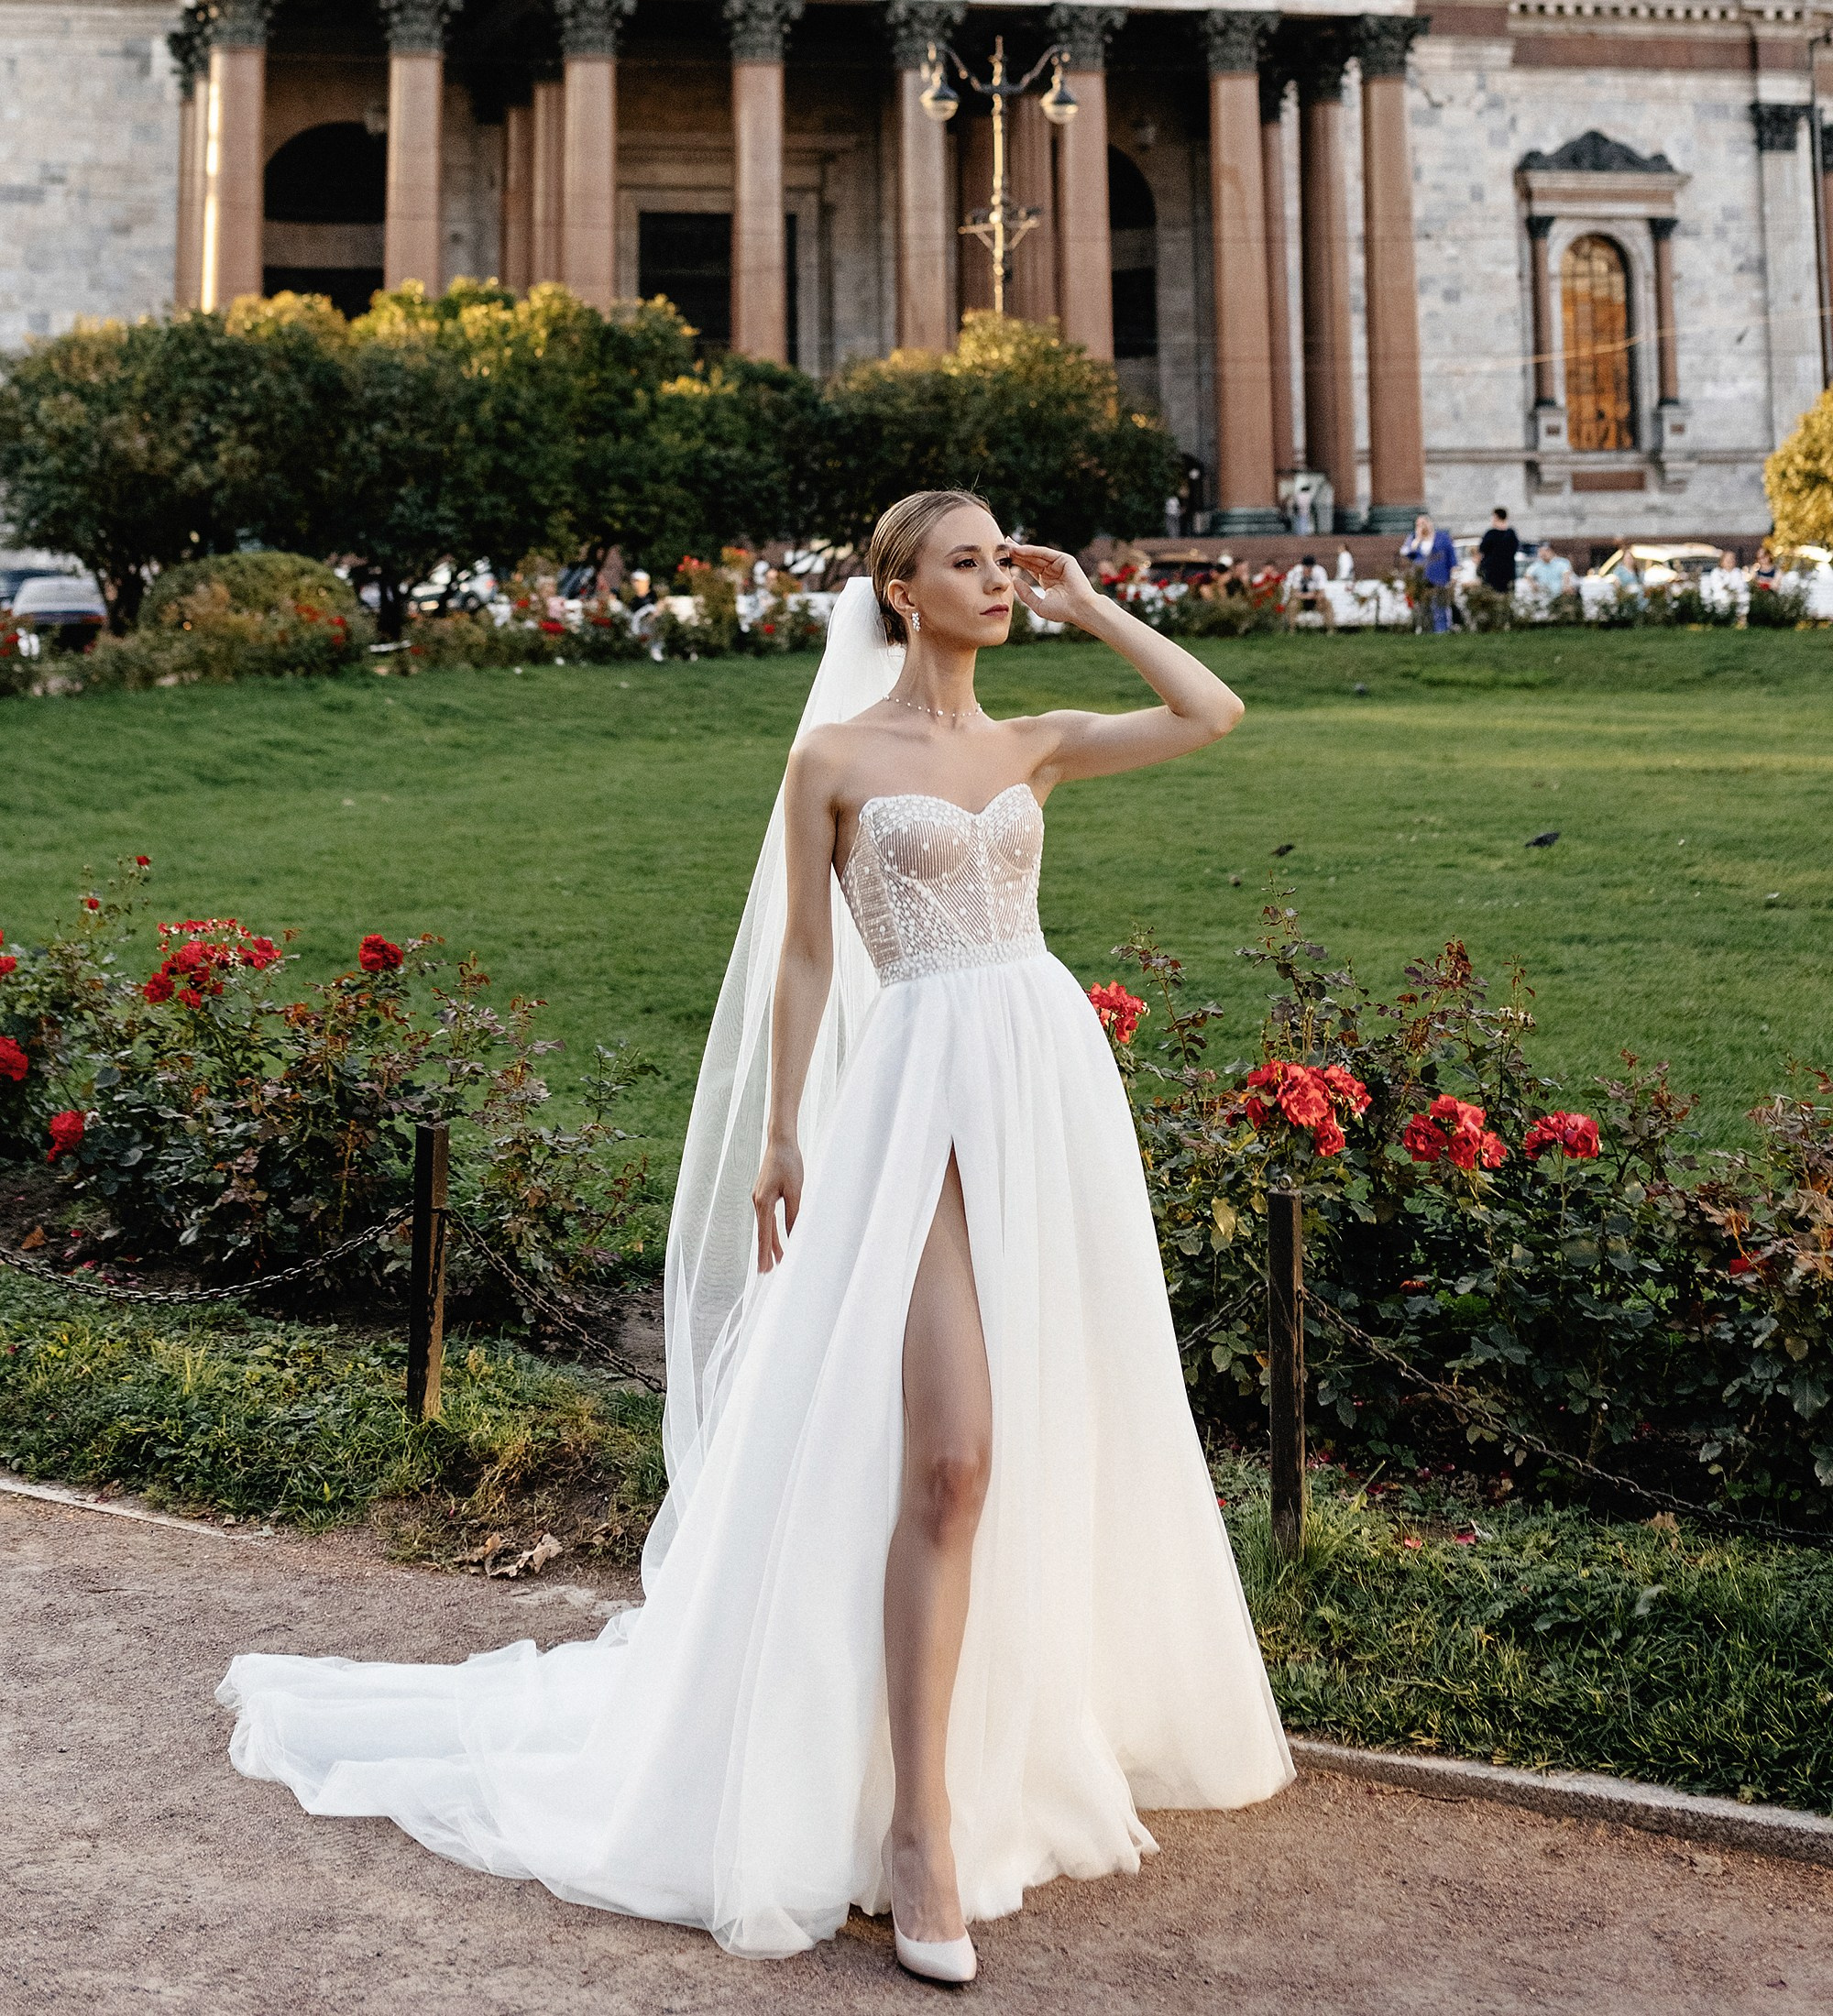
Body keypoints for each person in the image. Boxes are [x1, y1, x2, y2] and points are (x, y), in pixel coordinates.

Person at [215, 494, 1291, 1978]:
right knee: (950, 1456)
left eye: (1002, 559)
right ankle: (918, 1833)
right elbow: (800, 950)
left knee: (1022, 1439)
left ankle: (982, 1753)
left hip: (1040, 1088)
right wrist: (784, 1131)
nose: (996, 579)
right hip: (911, 1100)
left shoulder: (1032, 737)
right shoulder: (835, 760)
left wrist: (1089, 603)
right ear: (900, 592)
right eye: (969, 563)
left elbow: (1213, 710)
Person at [1400, 510, 1456, 634]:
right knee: (1423, 607)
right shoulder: (1413, 538)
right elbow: (1406, 553)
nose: (1422, 526)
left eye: (1424, 523)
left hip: (1440, 578)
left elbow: (1451, 557)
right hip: (1421, 579)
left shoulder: (1442, 538)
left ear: (1430, 523)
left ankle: (1442, 631)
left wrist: (1453, 574)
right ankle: (1426, 631)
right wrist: (1418, 539)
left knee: (1440, 606)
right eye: (1418, 524)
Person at [1476, 508, 1520, 596]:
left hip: (1492, 573)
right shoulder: (1511, 534)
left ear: (1496, 517)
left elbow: (1482, 549)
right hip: (1508, 573)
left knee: (1491, 597)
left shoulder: (1491, 534)